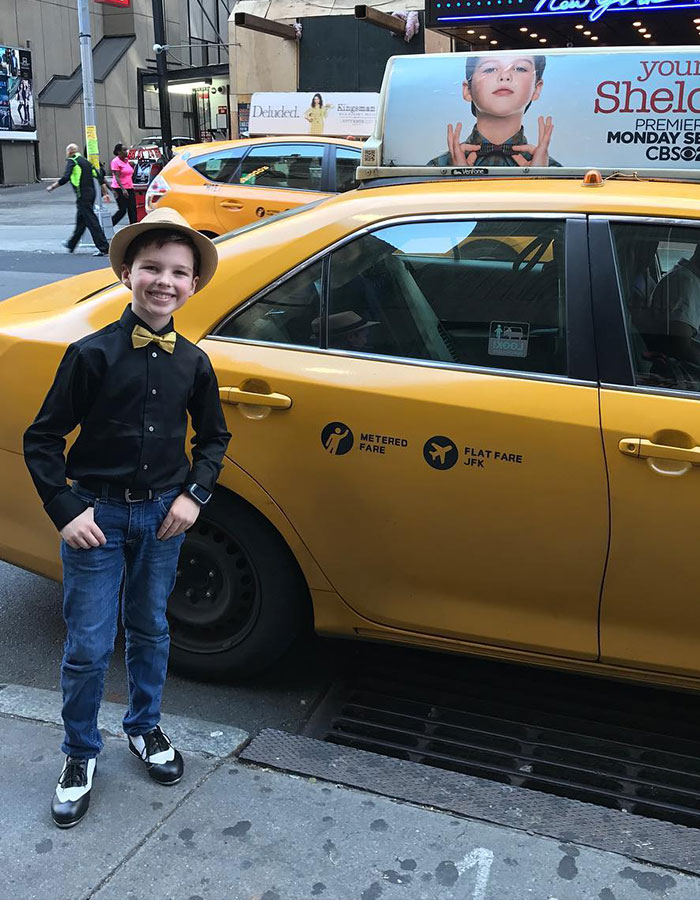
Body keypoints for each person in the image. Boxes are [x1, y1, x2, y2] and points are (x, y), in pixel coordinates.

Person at [23, 207, 231, 829]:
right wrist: (65, 508)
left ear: (193, 285)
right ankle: (80, 752)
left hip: (164, 517)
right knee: (88, 643)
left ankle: (144, 727)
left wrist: (195, 494)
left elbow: (214, 439)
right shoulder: (90, 355)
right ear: (126, 274)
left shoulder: (193, 362)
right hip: (97, 518)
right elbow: (42, 438)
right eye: (151, 268)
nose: (163, 281)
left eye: (178, 272)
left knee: (150, 629)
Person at [427, 55, 560, 168]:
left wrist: (542, 178)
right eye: (490, 69)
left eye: (520, 68)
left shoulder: (556, 172)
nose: (505, 76)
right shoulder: (437, 167)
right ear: (467, 90)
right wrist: (454, 178)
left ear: (537, 89)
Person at [47, 143, 111, 256]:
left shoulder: (73, 161)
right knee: (81, 220)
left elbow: (66, 177)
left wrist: (53, 186)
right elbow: (99, 177)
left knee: (91, 221)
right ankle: (72, 244)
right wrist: (106, 192)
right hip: (91, 194)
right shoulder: (86, 161)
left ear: (70, 151)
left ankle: (104, 247)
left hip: (82, 195)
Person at [110, 142, 137, 226]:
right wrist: (123, 189)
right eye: (124, 150)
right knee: (122, 210)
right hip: (120, 188)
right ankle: (109, 225)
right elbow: (116, 177)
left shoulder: (126, 161)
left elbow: (129, 173)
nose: (126, 151)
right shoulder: (115, 162)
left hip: (129, 187)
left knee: (132, 209)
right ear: (119, 152)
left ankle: (134, 227)